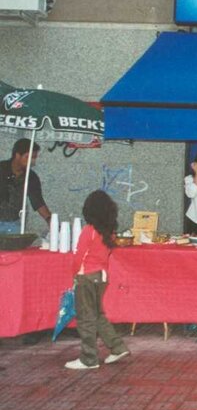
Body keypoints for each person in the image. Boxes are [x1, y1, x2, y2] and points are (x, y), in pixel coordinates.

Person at [65, 190, 130, 370]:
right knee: (98, 315)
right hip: (102, 277)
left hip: (86, 276)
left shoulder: (89, 230)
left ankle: (89, 359)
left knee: (86, 318)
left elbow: (79, 256)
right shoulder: (109, 233)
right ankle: (117, 347)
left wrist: (74, 274)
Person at [0, 138, 51, 234]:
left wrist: (50, 220)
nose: (33, 162)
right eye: (29, 157)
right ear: (17, 155)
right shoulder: (1, 169)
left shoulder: (31, 177)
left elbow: (38, 202)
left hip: (14, 224)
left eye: (34, 158)